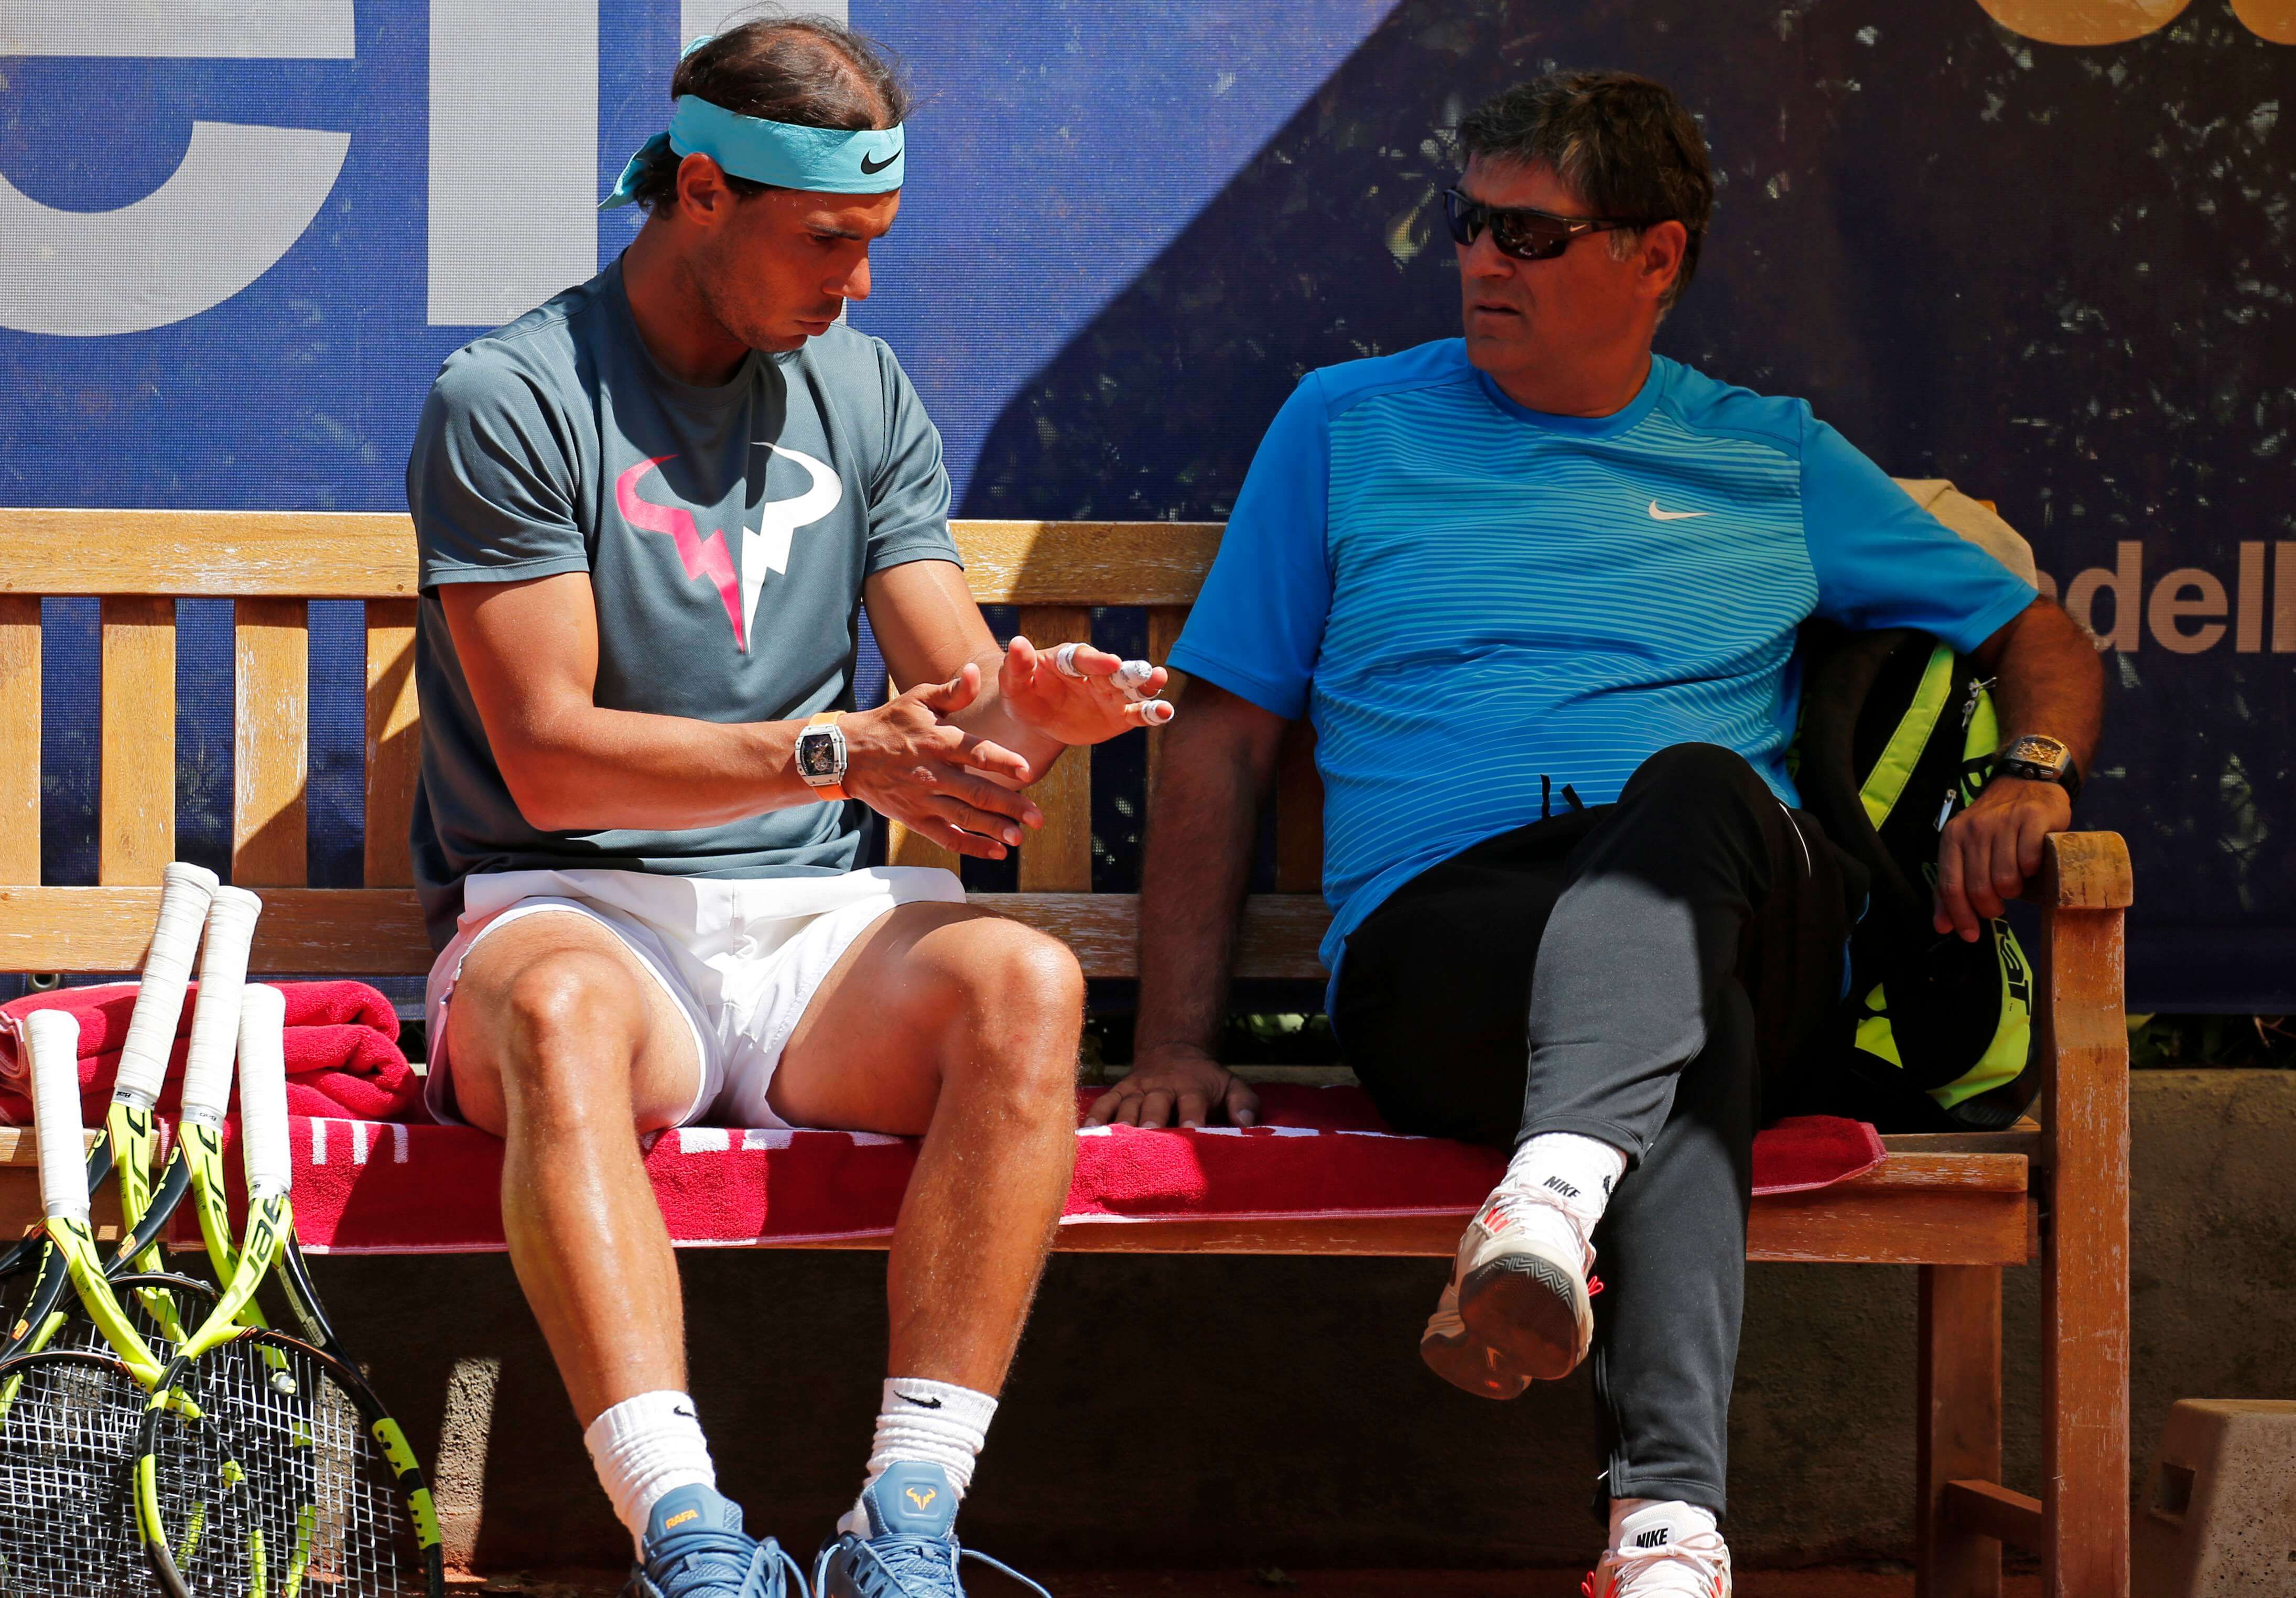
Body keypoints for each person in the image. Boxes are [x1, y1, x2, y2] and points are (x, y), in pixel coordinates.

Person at [1089, 70, 2103, 1597]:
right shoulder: (1345, 427)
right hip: (1452, 951)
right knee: (1687, 1054)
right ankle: (1663, 1528)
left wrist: (2030, 772)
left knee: (1694, 790)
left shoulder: (1764, 456)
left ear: (1655, 257)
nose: (1480, 262)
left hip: (1736, 889)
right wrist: (1175, 1036)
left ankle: (1549, 1196)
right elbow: (1221, 736)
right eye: (1468, 226)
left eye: (1528, 234)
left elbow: (2036, 632)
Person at [405, 20, 1166, 1598]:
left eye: (875, 244)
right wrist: (834, 756)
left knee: (1025, 978)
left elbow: (957, 741)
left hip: (818, 939)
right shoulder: (511, 393)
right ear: (700, 189)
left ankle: (907, 1532)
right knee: (554, 1016)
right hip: (576, 913)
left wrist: (1036, 715)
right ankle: (687, 1540)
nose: (857, 284)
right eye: (828, 240)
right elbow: (550, 758)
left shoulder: (862, 386)